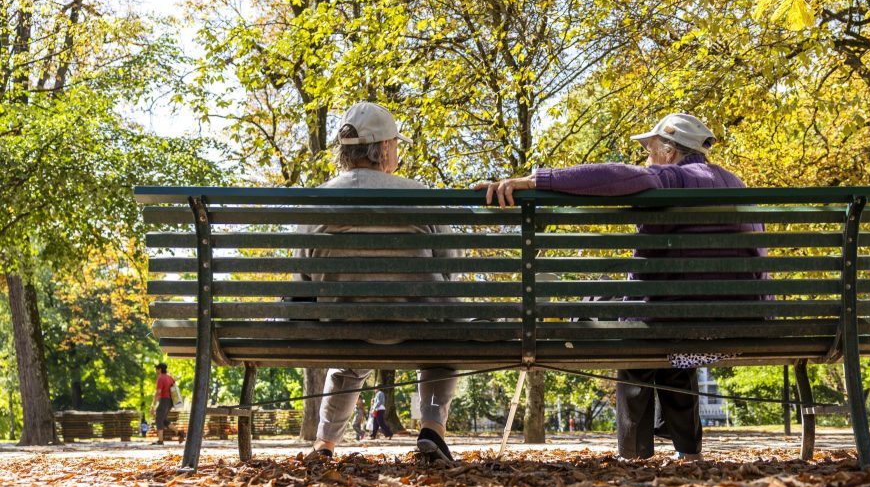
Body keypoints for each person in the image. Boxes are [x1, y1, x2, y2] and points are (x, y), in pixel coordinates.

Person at [476, 113, 767, 462]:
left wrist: (535, 180)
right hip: (740, 322)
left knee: (635, 332)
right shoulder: (736, 184)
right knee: (670, 339)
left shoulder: (674, 178)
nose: (645, 160)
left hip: (671, 321)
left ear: (669, 152)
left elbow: (619, 176)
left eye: (649, 151)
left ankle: (634, 453)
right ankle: (687, 450)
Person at [303, 101, 460, 464]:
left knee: (348, 361)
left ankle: (324, 445)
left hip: (342, 327)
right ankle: (432, 430)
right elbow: (451, 270)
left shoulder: (316, 199)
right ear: (385, 148)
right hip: (420, 327)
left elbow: (302, 276)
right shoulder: (421, 195)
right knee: (446, 344)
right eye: (395, 145)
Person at [148, 363, 175, 445]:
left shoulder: (161, 378)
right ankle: (179, 432)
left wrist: (153, 405)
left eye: (156, 368)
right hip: (170, 401)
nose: (156, 370)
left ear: (160, 369)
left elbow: (158, 392)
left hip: (164, 400)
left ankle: (160, 440)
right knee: (163, 419)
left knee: (159, 419)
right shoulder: (170, 377)